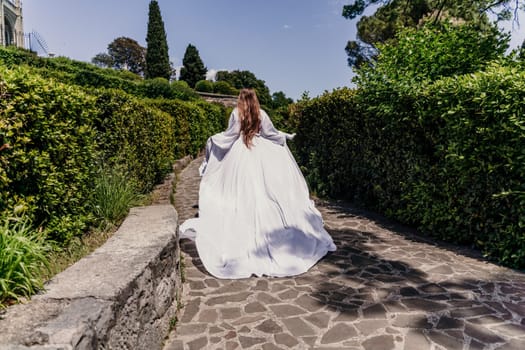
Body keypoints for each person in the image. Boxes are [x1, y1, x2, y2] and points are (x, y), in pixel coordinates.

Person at [179, 89, 336, 279]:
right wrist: (284, 137)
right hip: (262, 152)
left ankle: (243, 228)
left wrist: (213, 140)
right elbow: (271, 133)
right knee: (266, 191)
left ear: (240, 99)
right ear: (255, 99)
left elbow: (230, 135)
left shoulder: (236, 113)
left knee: (240, 191)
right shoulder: (262, 114)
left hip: (240, 153)